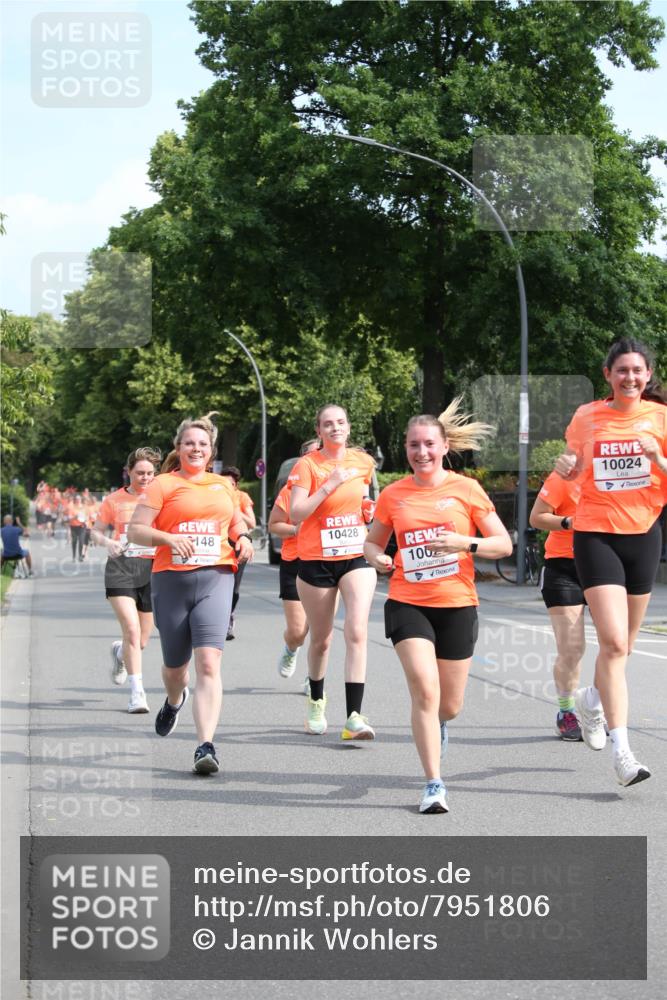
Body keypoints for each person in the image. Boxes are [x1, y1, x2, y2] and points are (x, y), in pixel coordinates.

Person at [364, 401, 512, 814]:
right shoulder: (394, 495)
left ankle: (441, 725)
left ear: (445, 446)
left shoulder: (466, 490)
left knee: (449, 704)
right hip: (408, 601)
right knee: (425, 691)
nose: (421, 452)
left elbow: (503, 544)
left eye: (429, 443)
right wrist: (376, 557)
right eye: (414, 445)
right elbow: (373, 542)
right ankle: (433, 782)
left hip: (457, 604)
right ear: (406, 450)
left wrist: (465, 543)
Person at [555, 337, 667, 787]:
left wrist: (658, 457)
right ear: (608, 375)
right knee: (615, 645)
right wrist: (567, 468)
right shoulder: (587, 417)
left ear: (648, 376)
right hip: (595, 533)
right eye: (621, 370)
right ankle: (623, 752)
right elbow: (575, 466)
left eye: (637, 371)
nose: (630, 378)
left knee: (623, 646)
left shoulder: (660, 418)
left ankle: (592, 702)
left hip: (643, 535)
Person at [127, 413, 254, 775]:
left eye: (202, 444)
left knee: (209, 664)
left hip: (216, 577)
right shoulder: (163, 485)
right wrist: (168, 538)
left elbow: (234, 522)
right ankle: (173, 700)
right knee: (175, 668)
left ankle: (205, 745)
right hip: (171, 580)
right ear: (178, 448)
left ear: (211, 450)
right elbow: (136, 531)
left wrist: (242, 537)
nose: (196, 449)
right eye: (189, 443)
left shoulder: (223, 486)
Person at [289, 405, 377, 739]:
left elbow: (364, 498)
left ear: (348, 427)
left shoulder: (363, 462)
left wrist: (368, 509)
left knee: (356, 630)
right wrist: (329, 485)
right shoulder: (308, 465)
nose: (335, 427)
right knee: (322, 640)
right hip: (316, 559)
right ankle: (316, 700)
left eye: (340, 422)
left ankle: (354, 716)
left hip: (356, 554)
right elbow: (297, 513)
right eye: (328, 424)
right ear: (319, 430)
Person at [91, 448, 162, 714]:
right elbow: (96, 532)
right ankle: (137, 694)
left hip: (153, 569)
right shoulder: (114, 500)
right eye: (140, 473)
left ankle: (121, 653)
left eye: (150, 474)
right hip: (121, 567)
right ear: (129, 472)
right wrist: (108, 542)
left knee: (140, 641)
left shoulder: (160, 498)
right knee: (132, 631)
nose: (145, 478)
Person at [530, 471, 588, 741]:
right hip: (564, 568)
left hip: (607, 565)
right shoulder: (564, 477)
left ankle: (599, 706)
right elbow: (536, 517)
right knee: (572, 649)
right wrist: (569, 521)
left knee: (617, 644)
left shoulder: (618, 473)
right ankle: (566, 712)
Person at [268, 439, 320, 683]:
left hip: (324, 562)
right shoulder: (290, 492)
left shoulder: (339, 490)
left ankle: (314, 680)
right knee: (299, 631)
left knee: (321, 632)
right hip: (295, 562)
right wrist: (296, 531)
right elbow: (274, 525)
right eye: (310, 456)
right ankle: (291, 648)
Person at [219, 466, 257, 641]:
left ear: (236, 485)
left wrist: (236, 511)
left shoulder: (242, 498)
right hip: (218, 543)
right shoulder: (214, 494)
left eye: (231, 484)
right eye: (224, 483)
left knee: (233, 586)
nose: (228, 486)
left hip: (238, 543)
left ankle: (229, 616)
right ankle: (219, 620)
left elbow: (252, 523)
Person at [68, 495, 87, 561]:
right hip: (74, 526)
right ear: (75, 500)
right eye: (77, 499)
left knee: (81, 541)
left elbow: (87, 516)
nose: (78, 500)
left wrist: (86, 519)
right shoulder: (72, 507)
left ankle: (80, 556)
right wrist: (75, 517)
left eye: (79, 499)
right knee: (74, 541)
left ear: (81, 500)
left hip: (82, 526)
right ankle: (73, 556)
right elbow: (69, 518)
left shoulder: (84, 507)